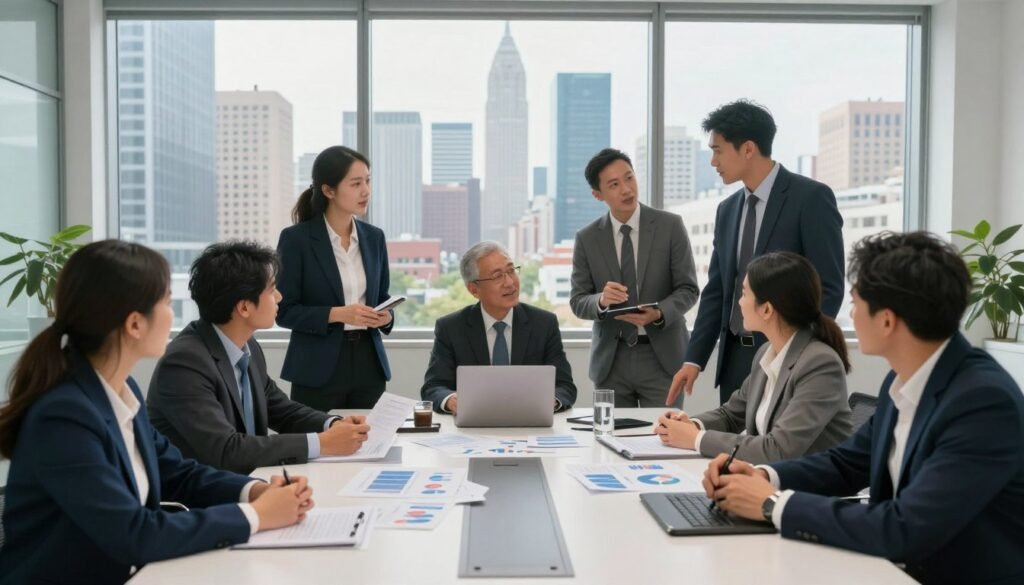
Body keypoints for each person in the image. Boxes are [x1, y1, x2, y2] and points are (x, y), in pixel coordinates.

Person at [701, 231, 1024, 585]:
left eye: (855, 303)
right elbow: (846, 463)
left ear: (887, 320)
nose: (849, 315)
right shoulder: (902, 381)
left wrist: (772, 504)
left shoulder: (982, 403)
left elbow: (905, 527)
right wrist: (763, 476)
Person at [0, 240, 314, 585]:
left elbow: (179, 474)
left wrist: (255, 491)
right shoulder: (62, 417)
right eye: (166, 301)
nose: (173, 313)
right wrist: (255, 515)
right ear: (135, 324)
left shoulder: (122, 391)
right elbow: (134, 534)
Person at [669, 100, 845, 407]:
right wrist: (693, 360)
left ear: (748, 148)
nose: (713, 161)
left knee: (779, 449)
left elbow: (829, 286)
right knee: (735, 448)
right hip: (735, 357)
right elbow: (718, 291)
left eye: (718, 150)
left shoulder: (811, 198)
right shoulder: (727, 210)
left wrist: (799, 352)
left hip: (788, 355)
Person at [148, 241, 371, 474]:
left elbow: (280, 409)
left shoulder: (248, 346)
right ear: (244, 308)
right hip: (205, 498)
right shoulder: (185, 363)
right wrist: (322, 443)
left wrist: (333, 424)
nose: (279, 297)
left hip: (250, 481)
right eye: (272, 289)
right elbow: (226, 450)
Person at [654, 252, 853, 463]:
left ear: (766, 309)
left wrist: (696, 439)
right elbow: (731, 415)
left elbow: (778, 450)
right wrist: (691, 425)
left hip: (806, 490)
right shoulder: (767, 352)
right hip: (767, 480)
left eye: (744, 294)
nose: (739, 303)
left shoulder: (819, 364)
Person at [570, 148, 699, 407]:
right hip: (611, 360)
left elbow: (688, 289)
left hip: (662, 357)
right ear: (598, 195)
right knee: (612, 441)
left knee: (664, 439)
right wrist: (602, 300)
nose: (626, 189)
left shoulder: (670, 226)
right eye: (614, 184)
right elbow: (578, 300)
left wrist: (659, 312)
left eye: (629, 178)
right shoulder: (587, 238)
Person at [276, 145, 394, 411]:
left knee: (371, 446)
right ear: (329, 190)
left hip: (369, 365)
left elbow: (382, 297)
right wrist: (339, 314)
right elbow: (284, 311)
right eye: (355, 183)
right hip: (317, 368)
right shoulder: (297, 240)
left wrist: (386, 316)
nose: (366, 191)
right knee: (320, 447)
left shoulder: (374, 238)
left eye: (367, 181)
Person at [422, 241, 577, 414]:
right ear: (474, 289)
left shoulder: (544, 324)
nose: (510, 282)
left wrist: (550, 402)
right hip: (473, 427)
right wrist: (452, 401)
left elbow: (565, 386)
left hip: (529, 424)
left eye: (511, 270)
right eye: (497, 276)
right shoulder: (451, 328)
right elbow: (433, 387)